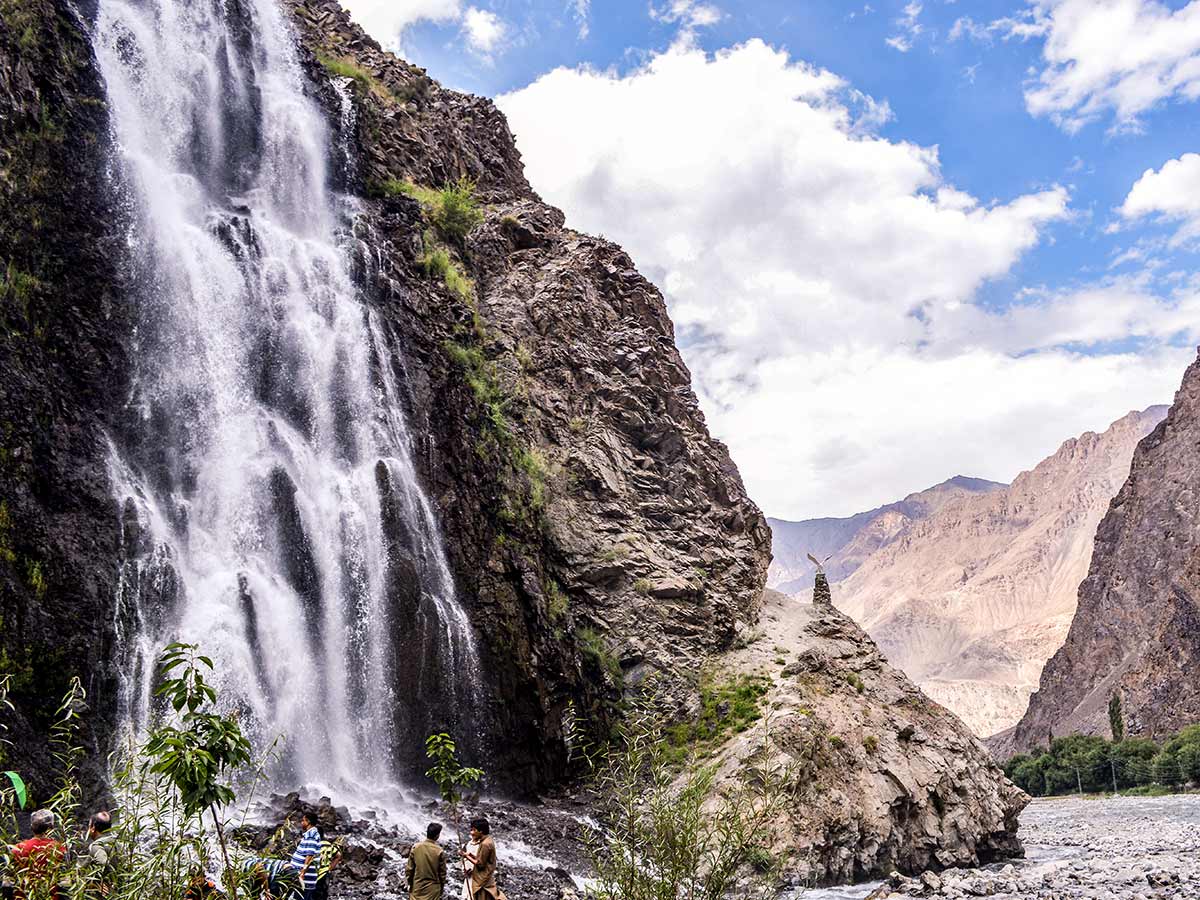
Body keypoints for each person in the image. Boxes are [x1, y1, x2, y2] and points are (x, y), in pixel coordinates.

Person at [10, 809, 65, 900]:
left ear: (31, 827)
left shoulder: (18, 848)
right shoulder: (59, 849)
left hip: (24, 896)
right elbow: (65, 882)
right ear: (51, 827)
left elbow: (9, 881)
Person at [463, 819, 506, 900]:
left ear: (481, 831)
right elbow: (483, 858)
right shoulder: (488, 840)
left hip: (483, 876)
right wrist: (471, 855)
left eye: (474, 830)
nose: (472, 832)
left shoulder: (485, 844)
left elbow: (480, 864)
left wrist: (465, 856)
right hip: (487, 875)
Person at [406, 823, 447, 900]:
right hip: (433, 889)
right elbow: (442, 873)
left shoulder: (416, 847)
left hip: (417, 888)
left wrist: (410, 884)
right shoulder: (439, 851)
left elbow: (409, 870)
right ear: (437, 836)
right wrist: (441, 888)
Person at [287, 811, 322, 900]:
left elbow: (310, 855)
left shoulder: (311, 835)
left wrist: (302, 872)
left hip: (305, 879)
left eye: (303, 821)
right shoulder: (310, 834)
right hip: (302, 877)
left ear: (308, 822)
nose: (302, 823)